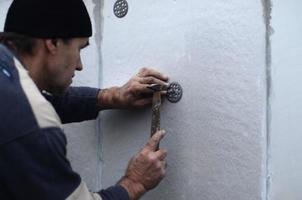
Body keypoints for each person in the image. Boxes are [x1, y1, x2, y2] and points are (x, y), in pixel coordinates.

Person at [0, 0, 169, 199]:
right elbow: (29, 112)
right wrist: (135, 183)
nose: (79, 65)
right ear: (53, 42)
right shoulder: (31, 122)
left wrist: (111, 97)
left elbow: (33, 102)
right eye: (80, 48)